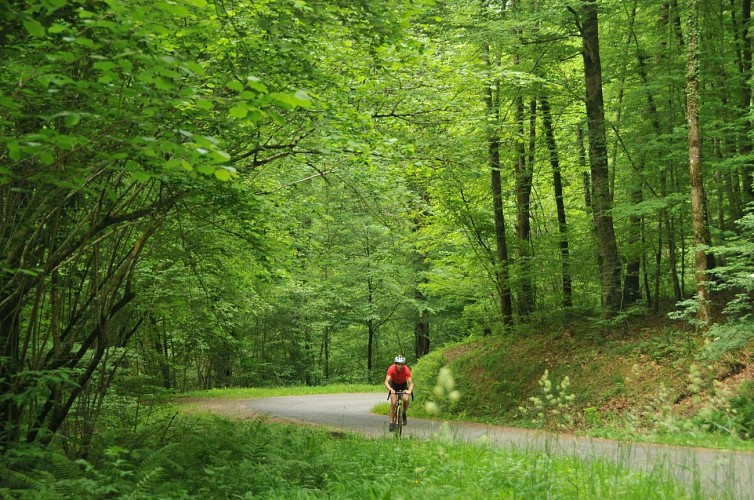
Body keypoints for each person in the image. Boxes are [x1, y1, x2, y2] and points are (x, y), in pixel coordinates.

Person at [384, 355, 414, 431]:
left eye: (402, 364)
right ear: (396, 364)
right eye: (398, 364)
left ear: (404, 364)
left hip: (403, 385)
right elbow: (386, 382)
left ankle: (403, 413)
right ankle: (391, 423)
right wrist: (390, 389)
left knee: (406, 399)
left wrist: (409, 391)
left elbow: (411, 383)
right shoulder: (391, 368)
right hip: (394, 385)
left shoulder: (406, 370)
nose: (400, 366)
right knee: (393, 403)